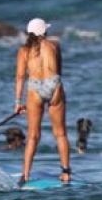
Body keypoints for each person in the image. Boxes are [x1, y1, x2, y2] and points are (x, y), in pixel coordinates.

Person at [14, 18, 71, 185]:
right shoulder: (54, 45)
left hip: (34, 88)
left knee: (32, 135)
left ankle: (25, 174)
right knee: (60, 133)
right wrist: (56, 88)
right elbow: (59, 71)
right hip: (54, 85)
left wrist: (18, 102)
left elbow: (20, 77)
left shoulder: (24, 51)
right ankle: (66, 172)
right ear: (44, 32)